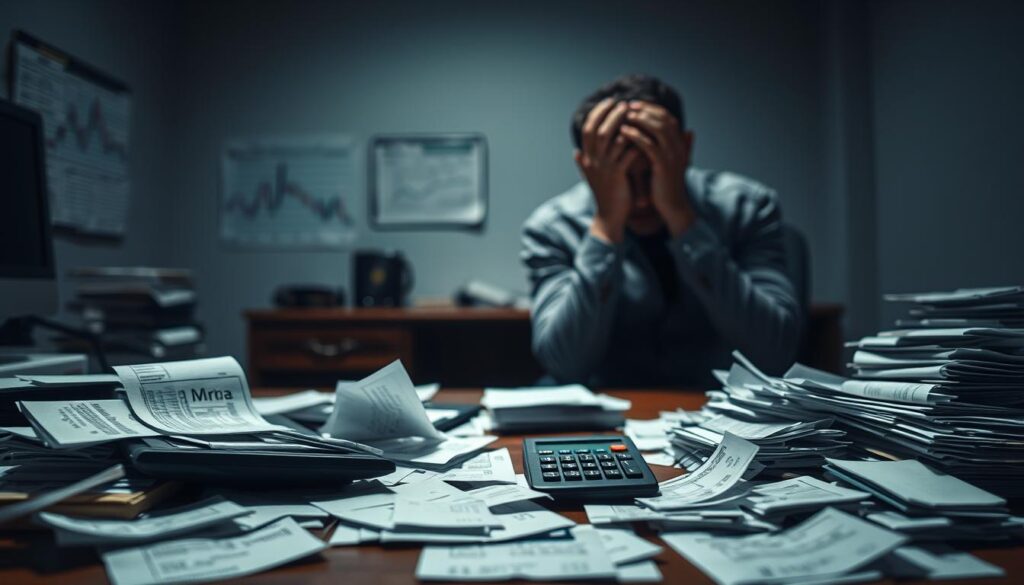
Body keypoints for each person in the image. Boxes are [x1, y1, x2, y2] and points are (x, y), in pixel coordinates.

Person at [521, 74, 802, 388]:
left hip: (724, 409)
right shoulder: (551, 226)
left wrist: (683, 218)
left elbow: (775, 352)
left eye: (651, 173)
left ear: (685, 148)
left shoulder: (748, 206)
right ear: (587, 166)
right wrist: (606, 225)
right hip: (608, 414)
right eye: (623, 178)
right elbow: (564, 364)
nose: (641, 199)